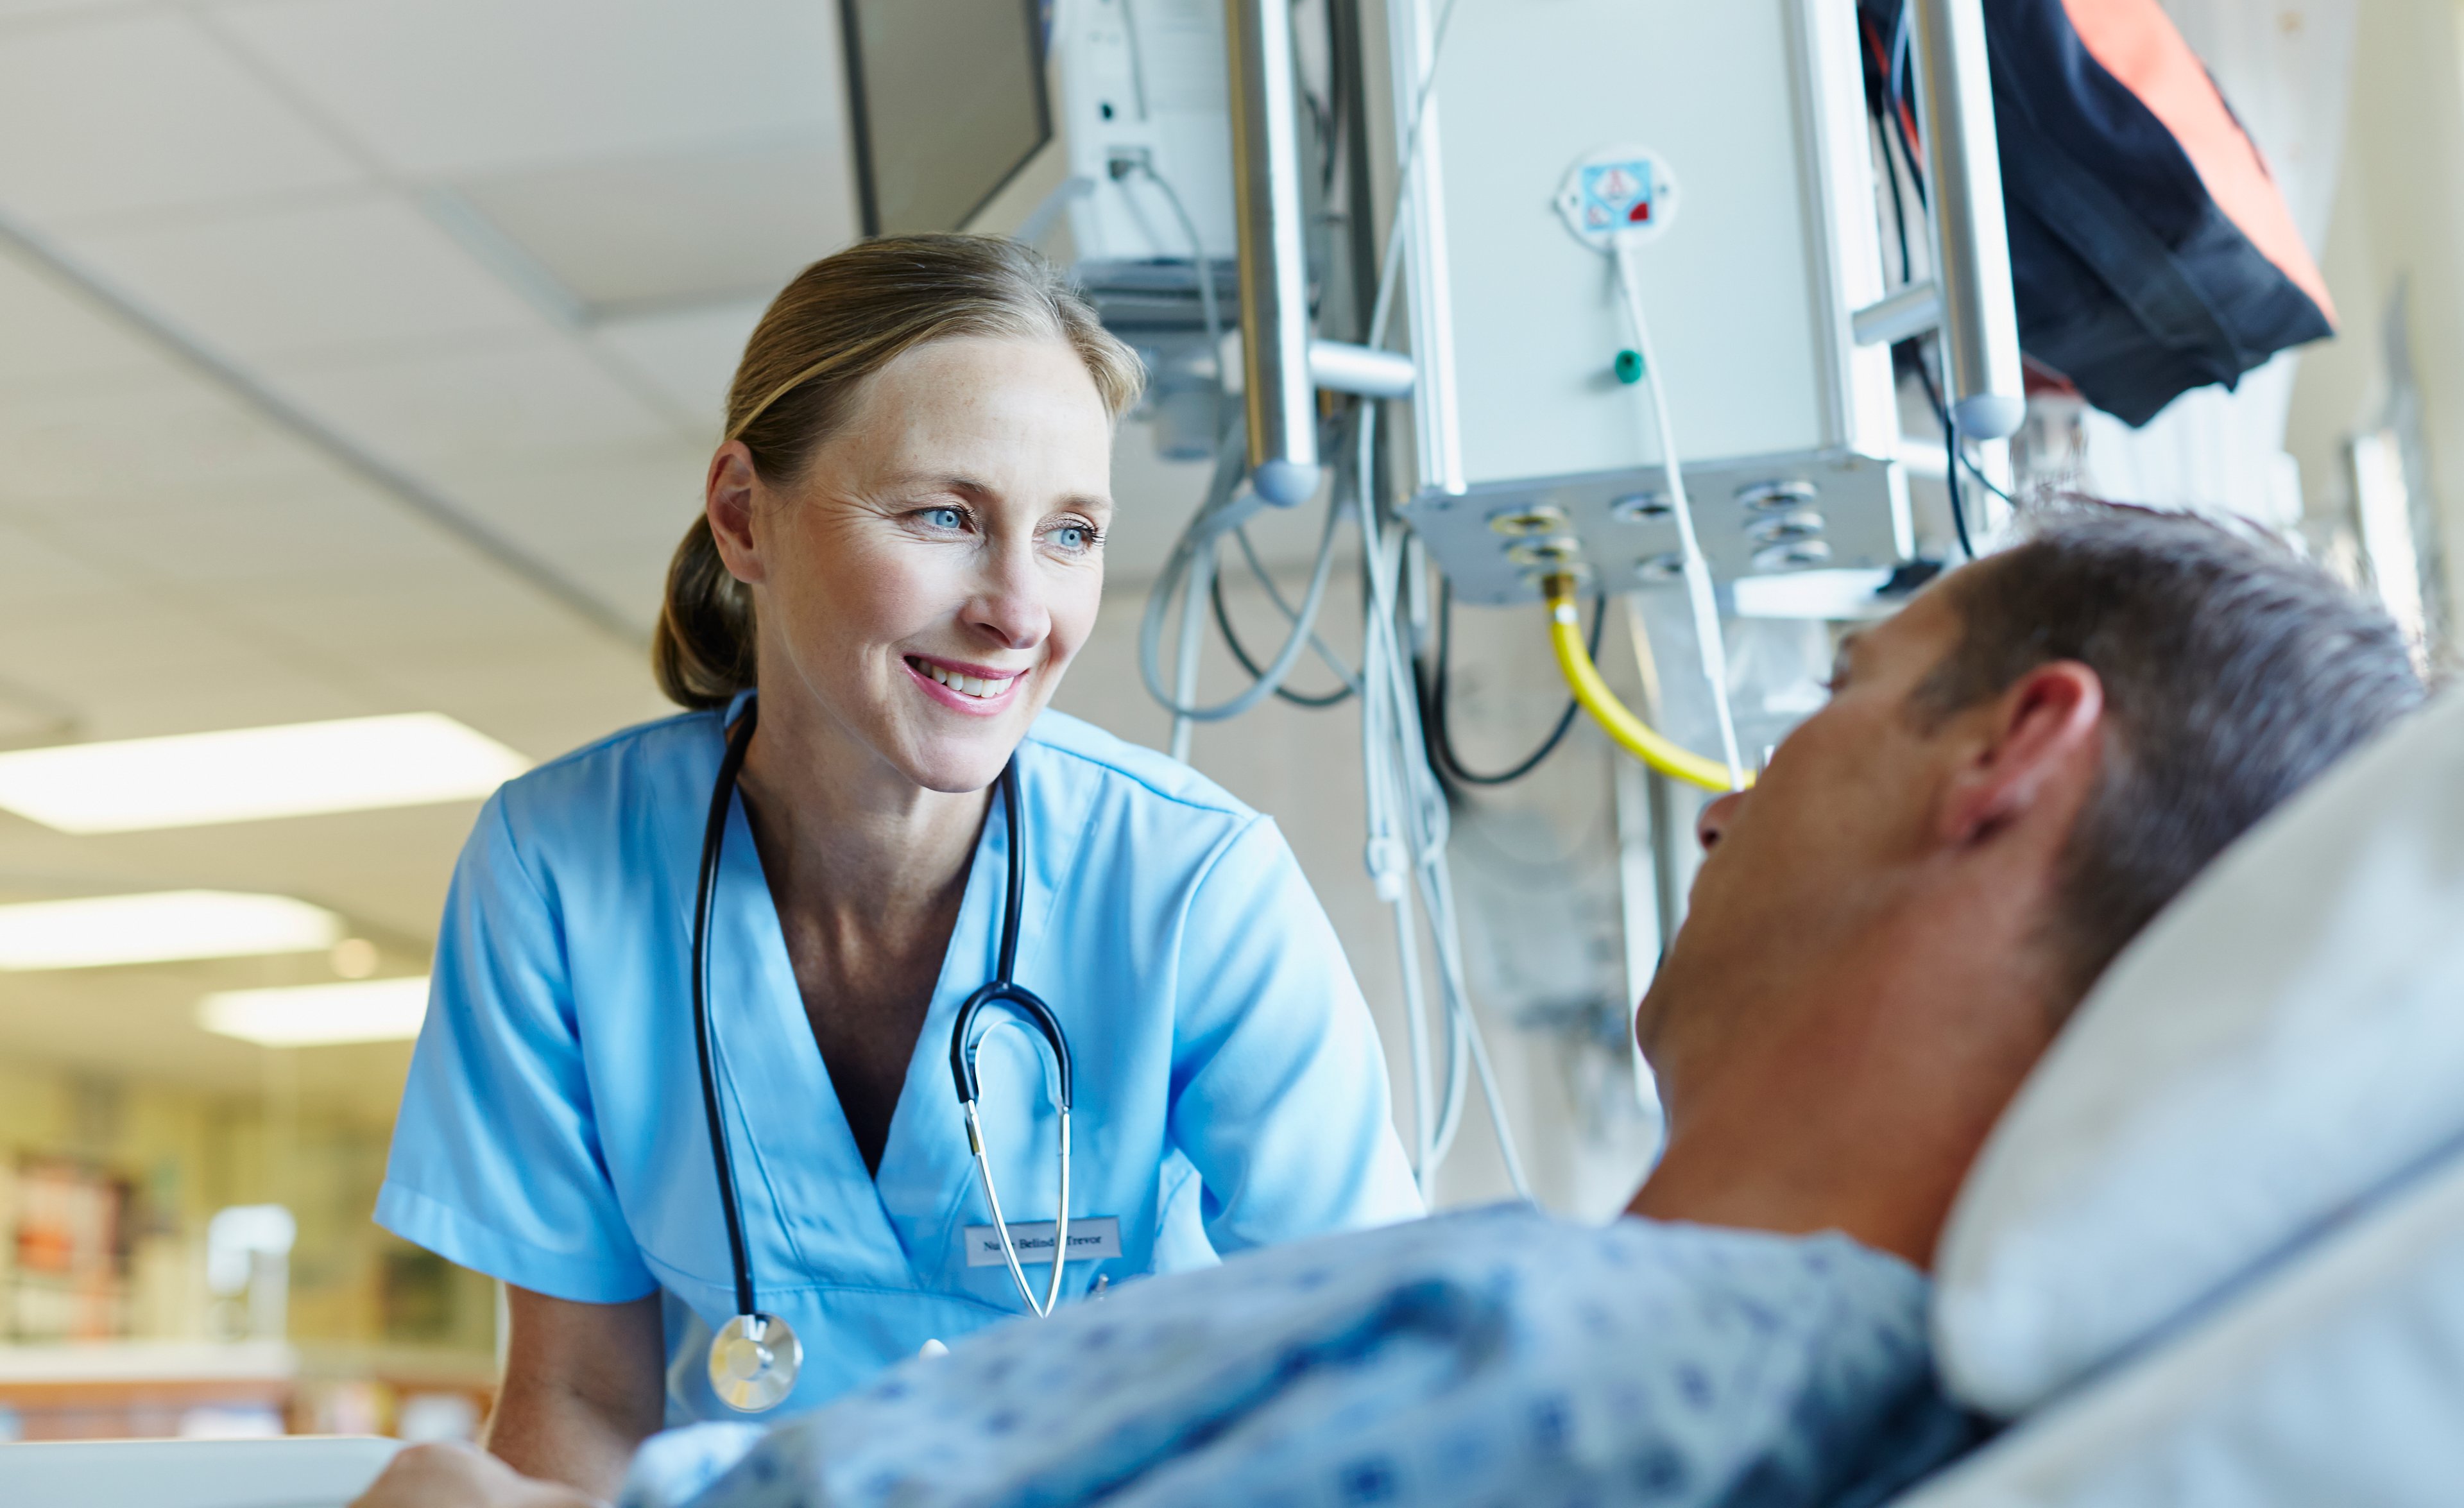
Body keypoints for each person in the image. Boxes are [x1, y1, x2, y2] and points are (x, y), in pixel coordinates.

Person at [357, 505, 2425, 1508]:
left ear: (2014, 758)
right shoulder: (1719, 1360)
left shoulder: (1585, 1362)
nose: (1732, 791)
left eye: (1833, 700)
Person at [373, 236, 1422, 1497]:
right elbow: (581, 1395)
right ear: (744, 515)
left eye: (1072, 532)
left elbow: (1382, 1372)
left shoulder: (1190, 884)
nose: (1020, 608)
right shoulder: (557, 868)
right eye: (945, 516)